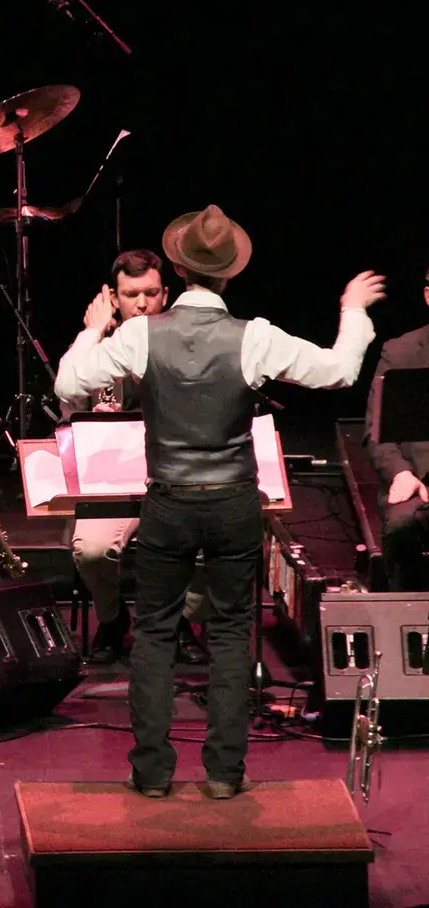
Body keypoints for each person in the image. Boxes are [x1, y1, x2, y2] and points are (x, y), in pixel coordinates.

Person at [53, 205, 383, 799]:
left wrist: (92, 328)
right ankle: (226, 776)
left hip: (169, 502)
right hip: (233, 503)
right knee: (232, 634)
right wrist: (353, 311)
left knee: (153, 635)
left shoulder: (139, 333)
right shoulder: (254, 336)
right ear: (229, 276)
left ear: (176, 271)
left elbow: (67, 384)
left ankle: (152, 775)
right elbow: (339, 371)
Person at [64, 249, 208, 666]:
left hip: (175, 475)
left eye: (149, 293)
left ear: (167, 294)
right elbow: (67, 402)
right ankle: (112, 621)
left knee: (212, 538)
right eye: (130, 294)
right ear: (113, 297)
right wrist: (91, 334)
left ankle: (181, 621)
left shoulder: (188, 346)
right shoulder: (95, 351)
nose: (141, 304)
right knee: (91, 550)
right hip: (112, 477)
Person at [363, 266, 429, 591]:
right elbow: (376, 432)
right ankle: (410, 625)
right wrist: (402, 474)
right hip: (416, 480)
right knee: (401, 525)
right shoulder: (399, 352)